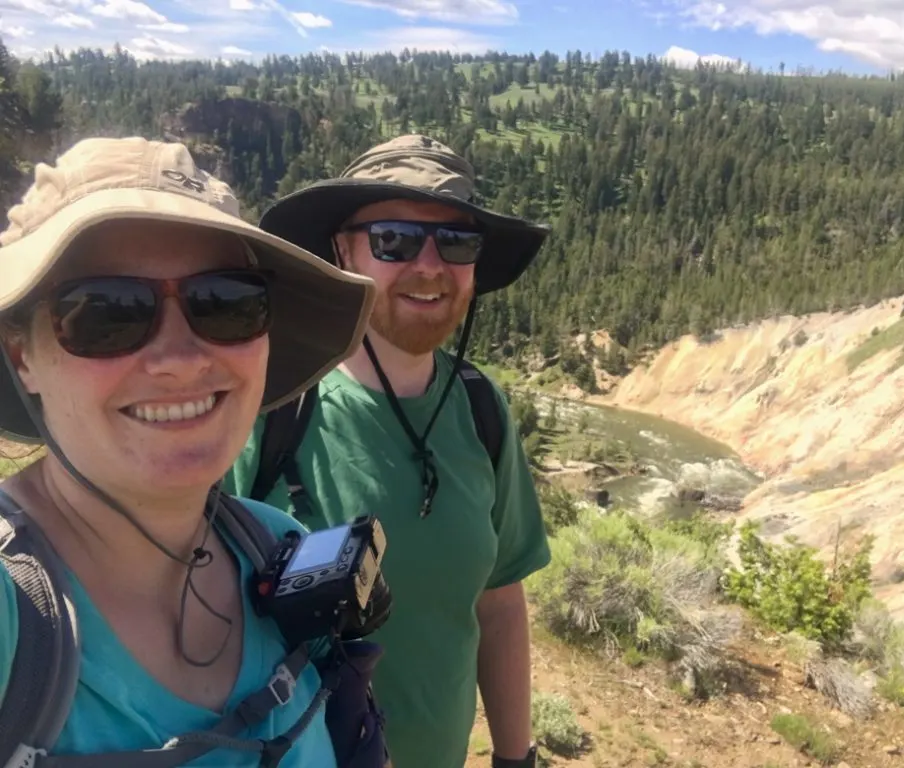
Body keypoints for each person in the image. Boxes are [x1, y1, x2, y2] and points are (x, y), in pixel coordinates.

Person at [0, 136, 388, 767]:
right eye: (107, 312)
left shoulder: (272, 545)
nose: (180, 361)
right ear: (23, 355)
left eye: (226, 302)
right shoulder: (12, 616)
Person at [222, 134, 553, 768]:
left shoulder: (481, 409)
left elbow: (500, 598)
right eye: (394, 240)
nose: (430, 267)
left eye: (456, 243)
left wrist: (516, 758)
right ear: (343, 251)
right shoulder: (268, 409)